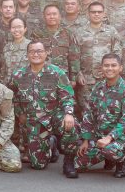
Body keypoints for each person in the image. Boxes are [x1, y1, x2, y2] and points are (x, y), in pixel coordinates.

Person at [9, 40, 78, 170]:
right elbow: (12, 98)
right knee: (38, 165)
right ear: (27, 54)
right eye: (32, 51)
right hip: (34, 122)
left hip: (54, 117)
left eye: (39, 51)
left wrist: (68, 114)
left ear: (46, 53)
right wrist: (20, 113)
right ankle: (50, 144)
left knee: (71, 126)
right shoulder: (18, 75)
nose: (36, 54)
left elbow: (67, 96)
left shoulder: (57, 73)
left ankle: (69, 160)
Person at [69, 53, 125, 179]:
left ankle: (121, 161)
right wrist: (86, 139)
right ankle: (108, 158)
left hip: (121, 138)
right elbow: (89, 114)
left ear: (120, 68)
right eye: (106, 65)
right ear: (101, 68)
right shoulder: (98, 87)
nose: (109, 68)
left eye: (113, 65)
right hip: (99, 138)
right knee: (78, 164)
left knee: (109, 150)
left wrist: (109, 138)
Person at [76, 1, 122, 114]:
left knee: (107, 110)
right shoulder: (79, 32)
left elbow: (117, 54)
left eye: (99, 12)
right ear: (88, 13)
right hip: (86, 80)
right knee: (86, 111)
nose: (96, 14)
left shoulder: (111, 31)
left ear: (104, 14)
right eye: (93, 12)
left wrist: (113, 73)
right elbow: (74, 55)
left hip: (107, 78)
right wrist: (77, 73)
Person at [35, 4, 79, 85]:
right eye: (48, 14)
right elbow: (32, 56)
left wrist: (73, 78)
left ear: (59, 16)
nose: (51, 17)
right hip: (42, 76)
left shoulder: (68, 34)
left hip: (63, 77)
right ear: (44, 16)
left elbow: (74, 57)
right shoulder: (37, 34)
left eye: (54, 14)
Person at [1, 16, 31, 83]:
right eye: (13, 27)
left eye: (19, 27)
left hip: (26, 86)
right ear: (10, 29)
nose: (16, 30)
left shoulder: (32, 46)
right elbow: (4, 71)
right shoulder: (6, 48)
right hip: (9, 86)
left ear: (25, 29)